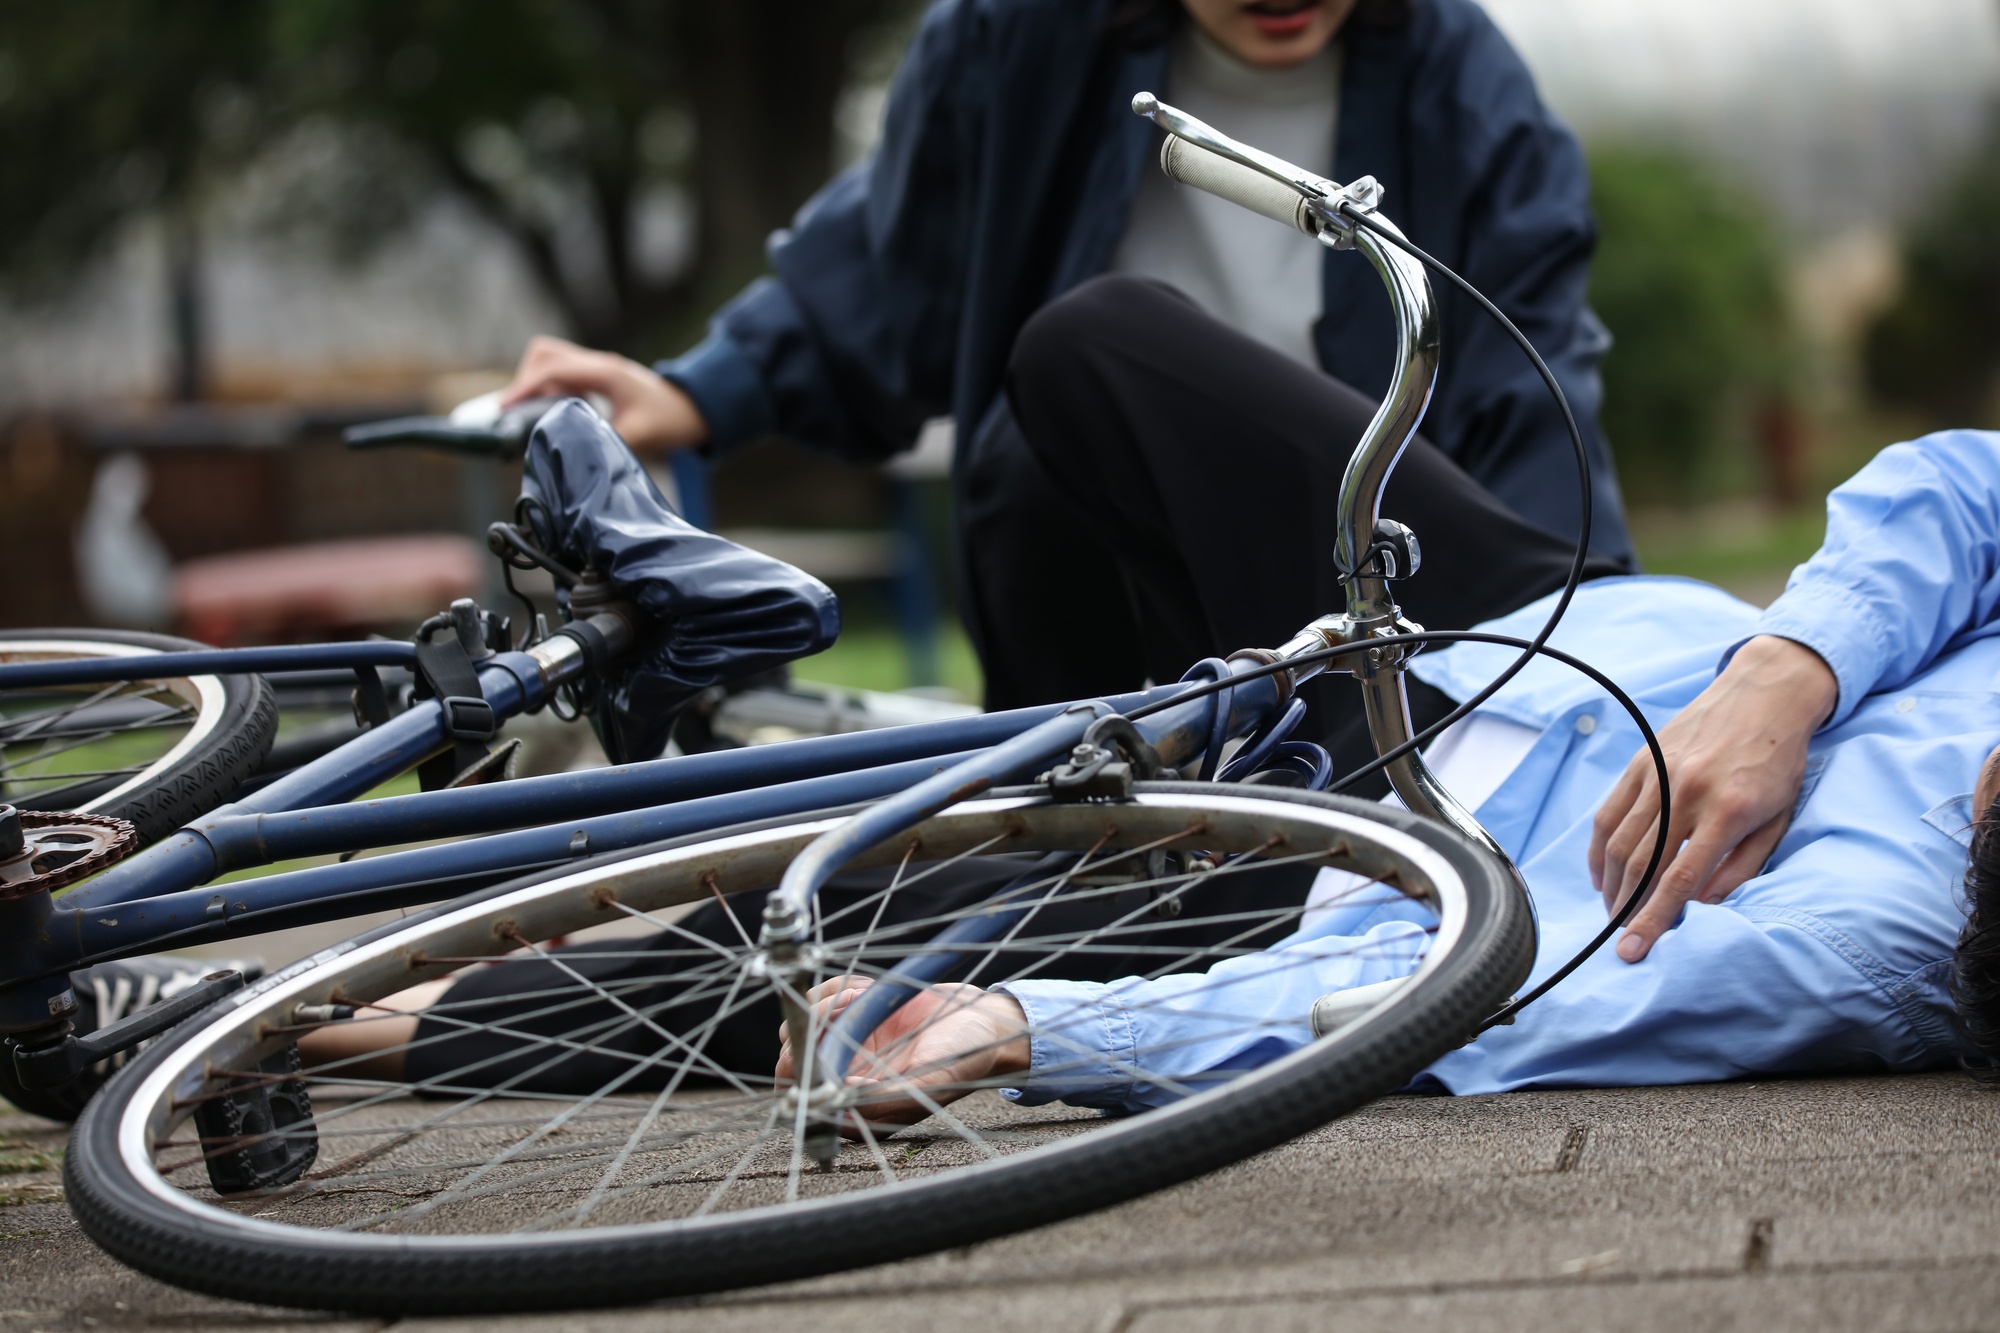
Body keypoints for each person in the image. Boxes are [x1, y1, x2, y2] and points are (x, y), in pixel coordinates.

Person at [763, 427, 2000, 1120]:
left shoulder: (1870, 939)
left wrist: (1032, 1028)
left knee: (767, 948)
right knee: (1094, 356)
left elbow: (1475, 1002)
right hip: (1532, 635)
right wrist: (1782, 676)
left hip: (1362, 858)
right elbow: (1967, 486)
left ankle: (592, 921)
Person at [494, 0, 1635, 743]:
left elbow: (1529, 372)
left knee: (1088, 338)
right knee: (1054, 391)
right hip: (1097, 566)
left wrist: (1595, 658)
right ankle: (1081, 825)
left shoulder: (1462, 83)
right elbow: (899, 258)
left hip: (1363, 561)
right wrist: (700, 391)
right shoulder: (1014, 39)